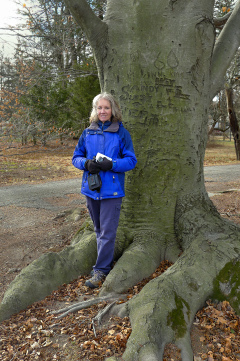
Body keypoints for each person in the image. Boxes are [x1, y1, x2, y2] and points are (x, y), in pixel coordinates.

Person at [72, 92, 137, 288]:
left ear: (113, 110)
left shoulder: (121, 133)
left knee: (107, 232)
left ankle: (101, 270)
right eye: (99, 108)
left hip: (112, 191)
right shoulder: (87, 133)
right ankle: (103, 263)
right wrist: (86, 163)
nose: (102, 111)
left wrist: (113, 164)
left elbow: (131, 160)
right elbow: (76, 157)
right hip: (91, 189)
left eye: (106, 108)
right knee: (99, 230)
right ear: (95, 110)